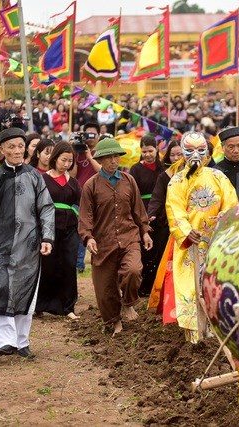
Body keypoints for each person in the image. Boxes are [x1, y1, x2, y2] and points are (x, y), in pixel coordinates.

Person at [0, 127, 55, 358]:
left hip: (29, 245)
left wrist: (47, 237)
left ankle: (21, 341)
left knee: (27, 292)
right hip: (0, 245)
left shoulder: (35, 176)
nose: (17, 151)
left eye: (20, 146)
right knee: (2, 290)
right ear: (1, 149)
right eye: (11, 147)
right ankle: (3, 342)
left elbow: (46, 207)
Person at [165, 132, 238, 343]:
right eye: (190, 150)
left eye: (200, 150)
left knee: (217, 285)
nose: (195, 155)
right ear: (183, 153)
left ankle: (220, 332)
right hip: (191, 245)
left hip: (217, 242)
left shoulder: (218, 176)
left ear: (207, 152)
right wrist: (187, 231)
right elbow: (174, 210)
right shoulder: (176, 181)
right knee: (191, 287)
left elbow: (231, 202)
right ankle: (195, 335)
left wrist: (226, 216)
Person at [78, 138, 153, 336]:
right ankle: (114, 322)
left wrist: (144, 231)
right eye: (109, 157)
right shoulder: (90, 186)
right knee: (105, 290)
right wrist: (88, 237)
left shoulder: (129, 181)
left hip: (129, 236)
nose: (113, 161)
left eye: (116, 156)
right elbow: (85, 216)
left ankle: (128, 302)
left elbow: (138, 210)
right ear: (100, 160)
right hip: (104, 242)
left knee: (133, 270)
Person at [35, 142, 81, 319]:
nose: (67, 164)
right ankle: (40, 305)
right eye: (64, 160)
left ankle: (68, 307)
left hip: (70, 228)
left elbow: (82, 203)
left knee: (69, 265)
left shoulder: (74, 183)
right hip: (48, 228)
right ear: (55, 158)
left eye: (70, 161)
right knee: (48, 265)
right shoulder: (42, 179)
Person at [146, 141, 184, 317]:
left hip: (187, 225)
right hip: (165, 224)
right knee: (164, 259)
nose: (176, 158)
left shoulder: (192, 176)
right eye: (173, 155)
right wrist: (151, 214)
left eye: (179, 154)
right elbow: (156, 198)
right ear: (168, 157)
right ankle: (164, 297)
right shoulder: (164, 176)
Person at [129, 135, 164, 297]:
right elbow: (133, 193)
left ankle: (158, 285)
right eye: (144, 151)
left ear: (157, 149)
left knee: (159, 248)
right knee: (145, 249)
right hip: (142, 210)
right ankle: (143, 286)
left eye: (150, 151)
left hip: (162, 212)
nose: (148, 154)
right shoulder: (135, 169)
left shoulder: (163, 168)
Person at [71, 122, 102, 273]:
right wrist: (74, 153)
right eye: (86, 135)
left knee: (99, 229)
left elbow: (102, 172)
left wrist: (90, 156)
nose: (89, 138)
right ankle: (79, 265)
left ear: (98, 135)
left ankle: (100, 261)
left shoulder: (102, 152)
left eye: (92, 135)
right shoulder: (77, 151)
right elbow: (72, 175)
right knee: (80, 230)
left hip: (97, 196)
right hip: (79, 196)